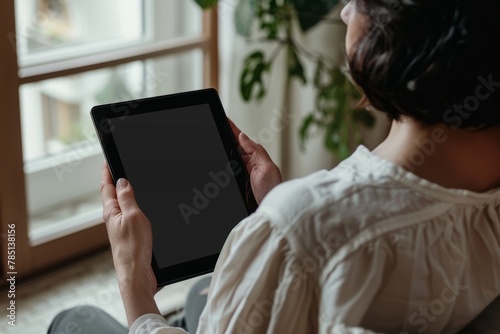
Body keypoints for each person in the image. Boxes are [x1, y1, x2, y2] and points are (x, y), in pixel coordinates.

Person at [48, 0, 500, 333]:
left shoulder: (298, 228)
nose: (343, 12)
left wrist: (136, 290)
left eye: (359, 2)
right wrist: (279, 212)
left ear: (406, 37)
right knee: (199, 295)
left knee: (75, 319)